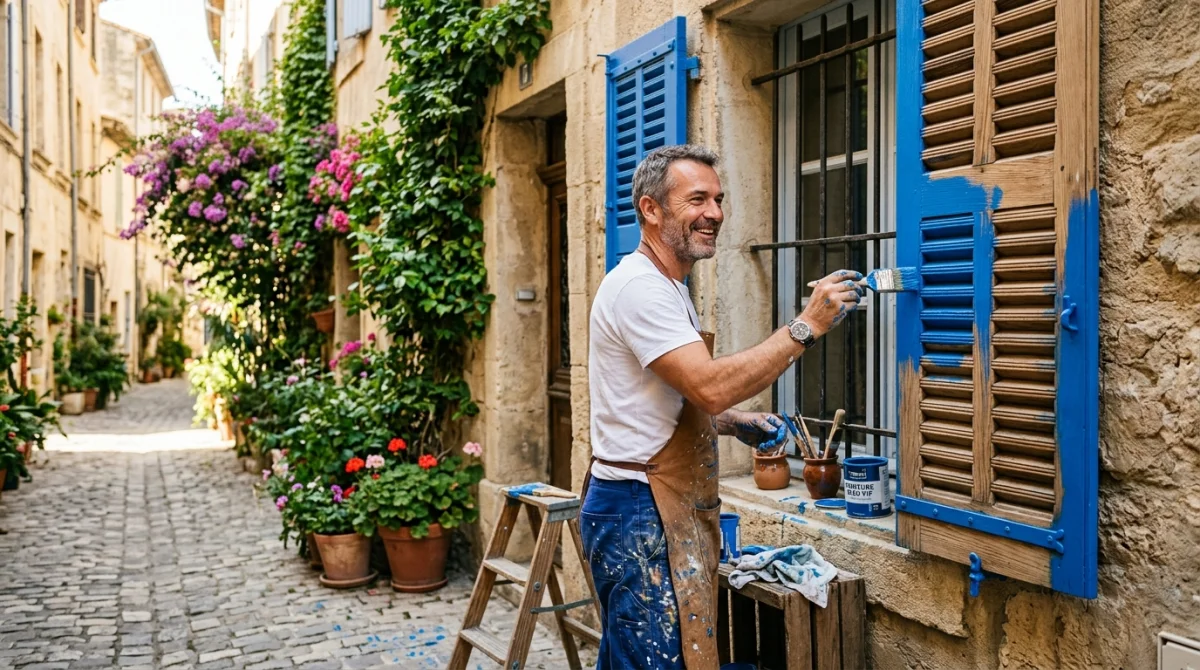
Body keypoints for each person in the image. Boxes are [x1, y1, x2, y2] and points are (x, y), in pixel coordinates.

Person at [581, 144, 862, 669]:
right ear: (651, 209)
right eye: (697, 199)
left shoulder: (668, 285)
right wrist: (806, 327)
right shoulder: (641, 288)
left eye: (719, 198)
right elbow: (707, 387)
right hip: (638, 511)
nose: (715, 212)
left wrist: (734, 423)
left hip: (647, 505)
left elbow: (667, 400)